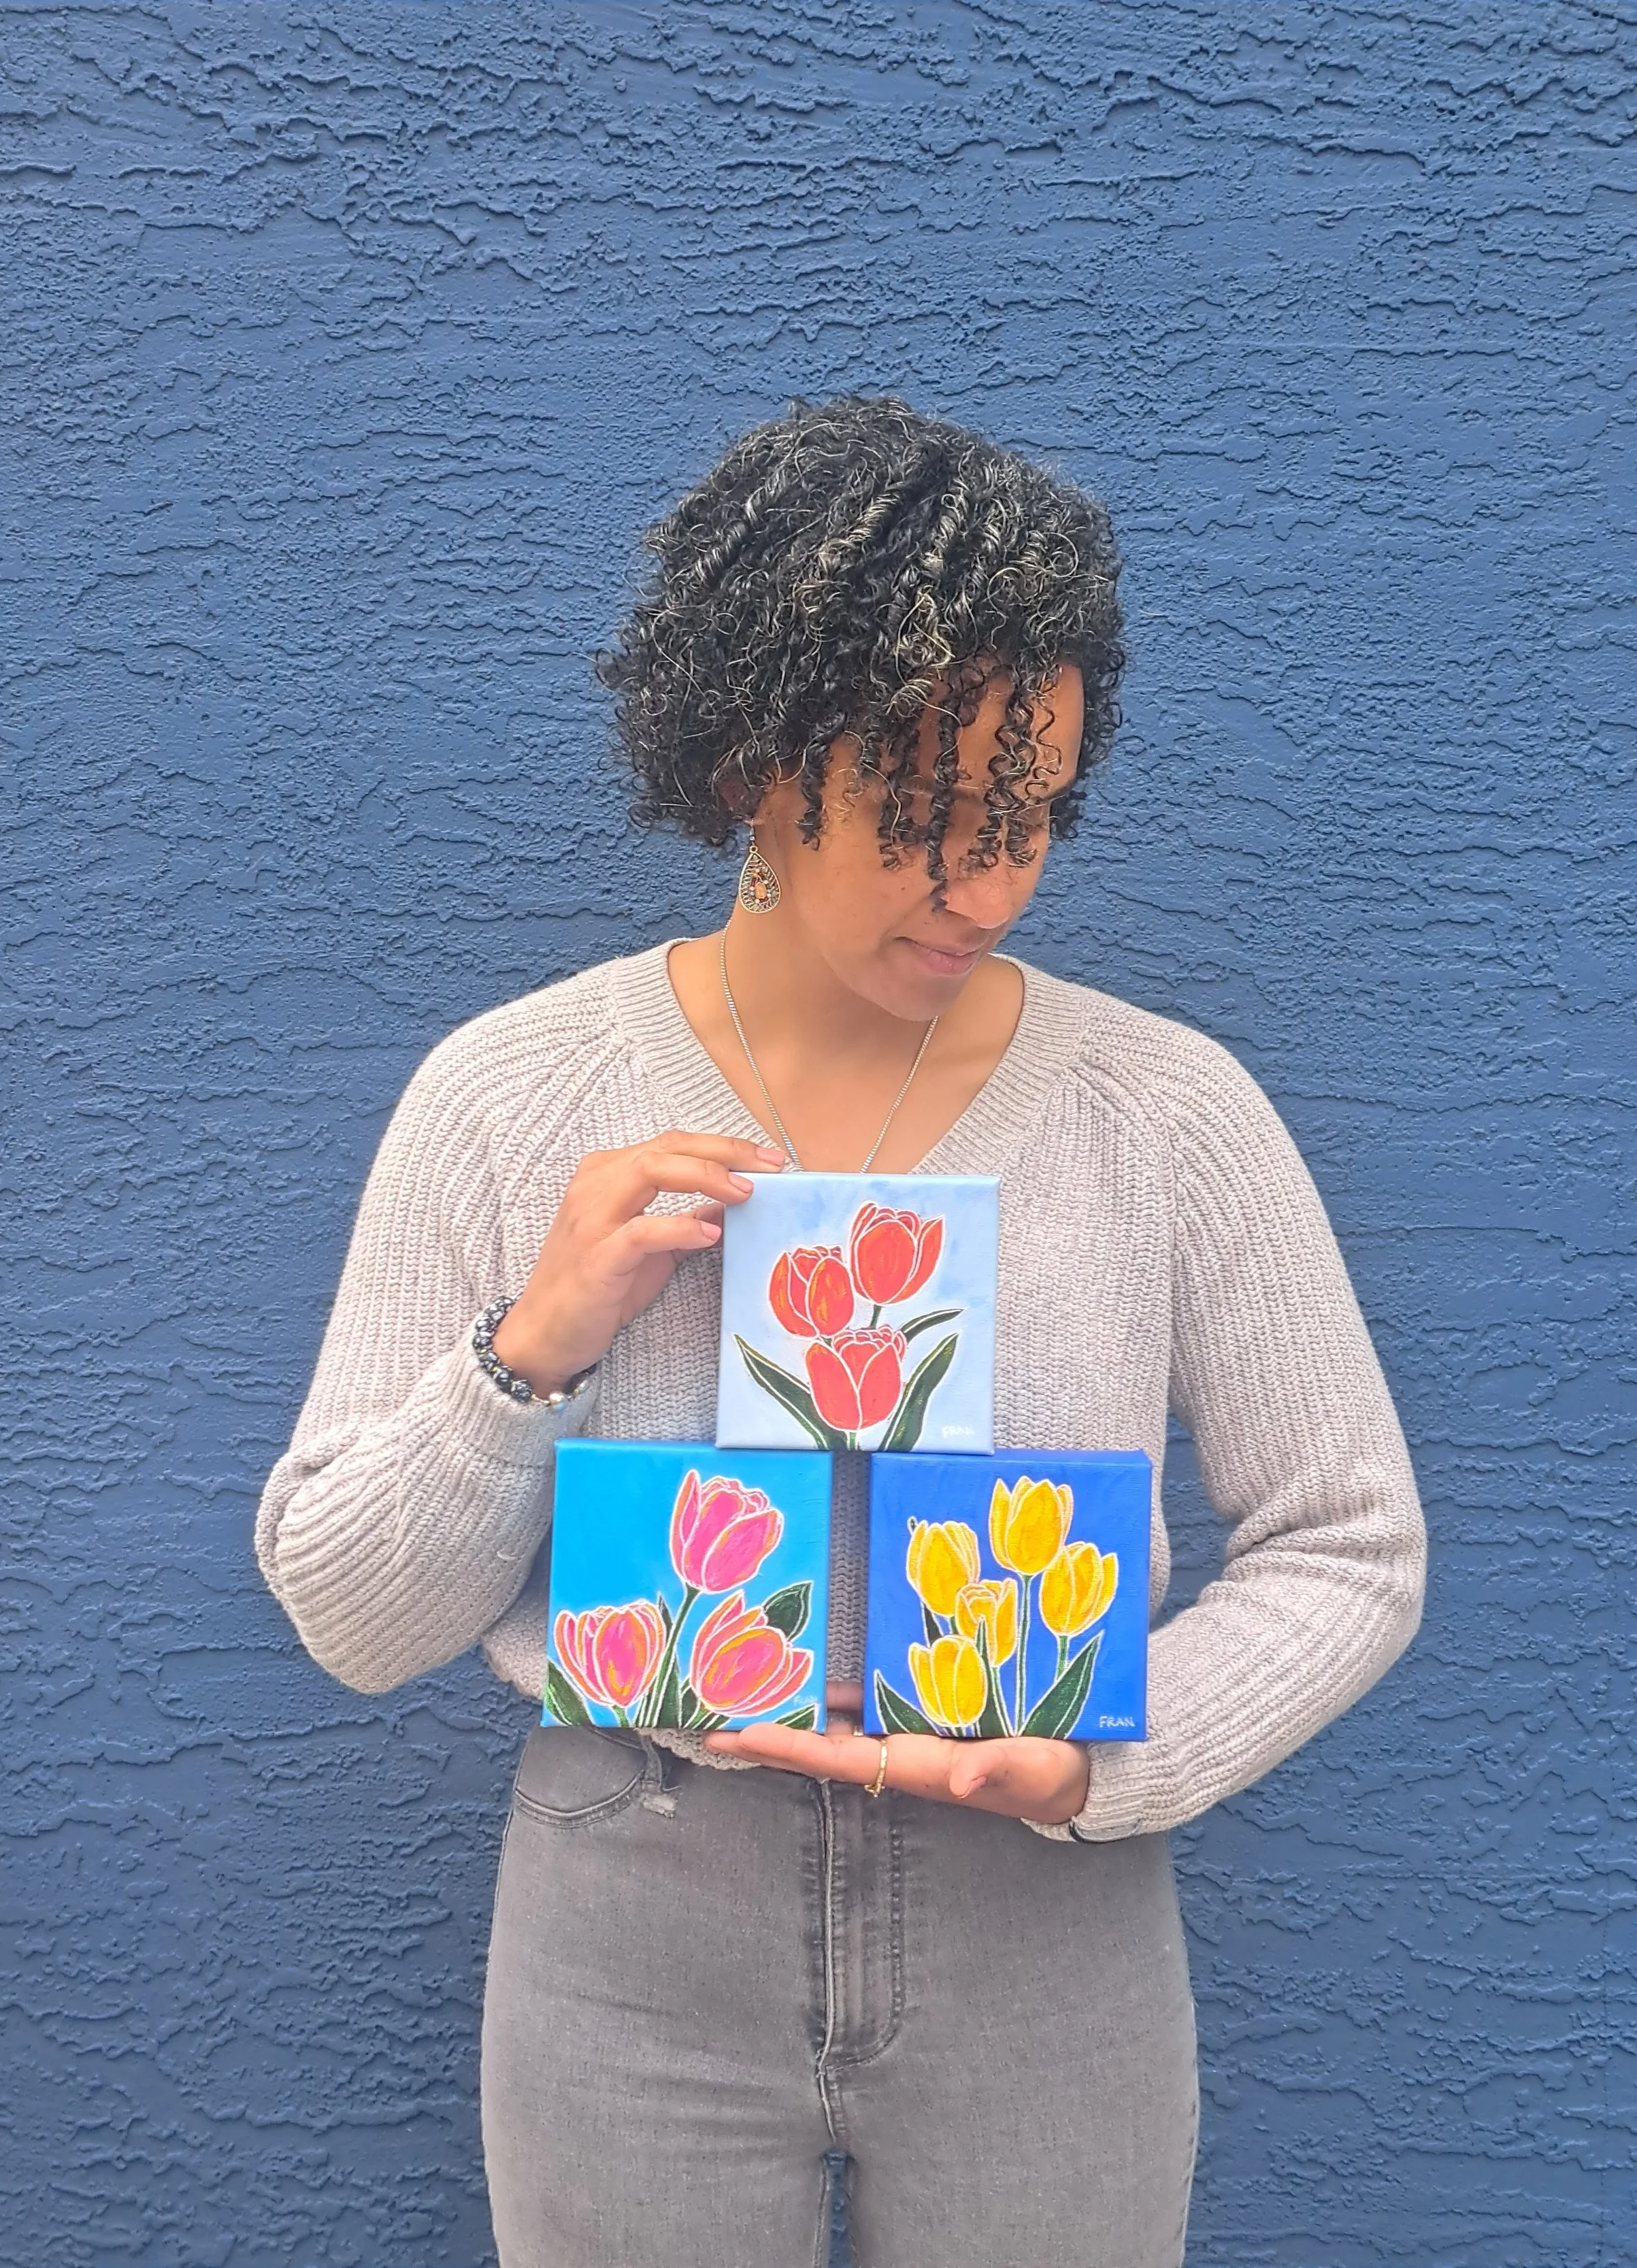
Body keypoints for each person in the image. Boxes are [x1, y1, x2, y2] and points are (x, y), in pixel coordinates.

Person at [256, 395, 1425, 2268]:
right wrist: (528, 1350)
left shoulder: (1166, 1108)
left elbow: (1350, 1542)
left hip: (1049, 1916)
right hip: (630, 1904)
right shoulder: (506, 1094)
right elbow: (347, 1608)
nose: (986, 883)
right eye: (919, 817)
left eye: (1031, 815)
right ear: (747, 761)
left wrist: (1104, 1761)